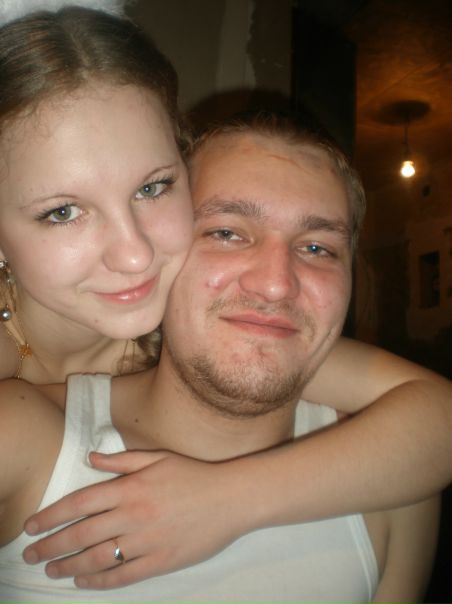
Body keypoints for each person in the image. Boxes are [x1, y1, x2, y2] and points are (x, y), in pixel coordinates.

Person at [0, 2, 450, 592]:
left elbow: (436, 417)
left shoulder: (179, 316)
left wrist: (226, 501)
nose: (134, 254)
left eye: (152, 187)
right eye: (62, 212)